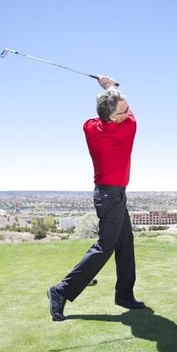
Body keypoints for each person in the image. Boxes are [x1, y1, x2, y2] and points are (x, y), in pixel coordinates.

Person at [47, 75, 144, 321]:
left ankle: (124, 294)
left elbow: (98, 114)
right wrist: (108, 86)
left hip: (110, 195)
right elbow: (130, 115)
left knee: (125, 243)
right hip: (110, 196)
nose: (128, 111)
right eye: (124, 110)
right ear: (112, 117)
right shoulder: (127, 130)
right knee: (105, 246)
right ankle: (60, 291)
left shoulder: (90, 127)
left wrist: (108, 94)